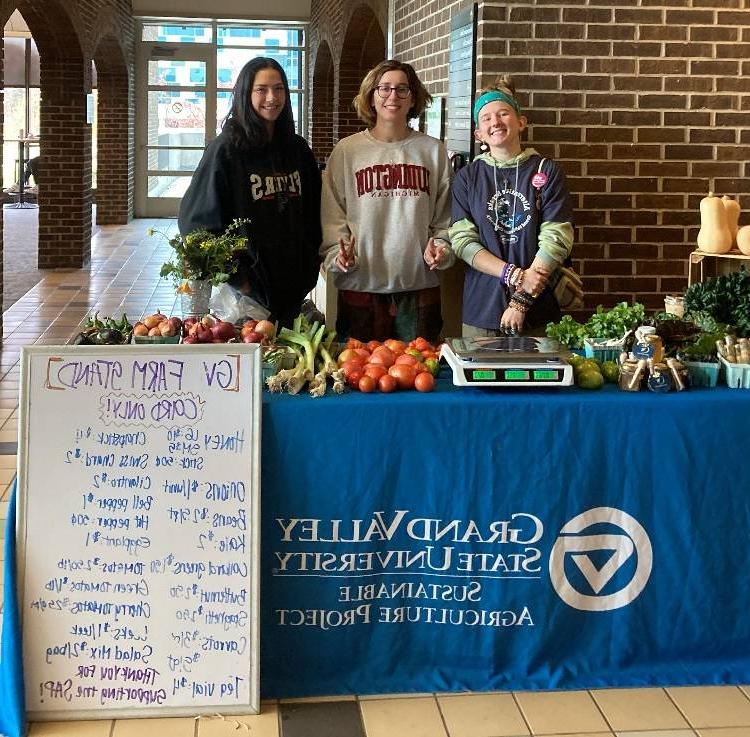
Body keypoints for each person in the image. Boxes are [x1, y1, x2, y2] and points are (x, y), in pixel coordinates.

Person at [179, 57, 322, 328]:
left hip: (293, 288)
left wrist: (310, 265)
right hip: (248, 295)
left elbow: (315, 212)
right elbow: (196, 225)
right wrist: (238, 278)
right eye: (262, 89)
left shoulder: (298, 150)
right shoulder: (226, 150)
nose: (272, 97)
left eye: (279, 89)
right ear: (246, 94)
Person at [320, 59, 453, 344]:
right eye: (384, 88)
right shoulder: (347, 152)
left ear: (413, 97)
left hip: (418, 286)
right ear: (371, 95)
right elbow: (333, 217)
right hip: (361, 285)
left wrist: (442, 248)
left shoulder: (433, 151)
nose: (393, 96)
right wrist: (337, 254)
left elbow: (445, 220)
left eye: (402, 89)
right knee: (358, 378)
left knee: (422, 376)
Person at [449, 75, 574, 337]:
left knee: (538, 376)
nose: (495, 122)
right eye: (486, 118)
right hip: (482, 309)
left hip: (538, 311)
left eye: (503, 113)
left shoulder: (546, 171)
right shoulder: (467, 178)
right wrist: (514, 275)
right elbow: (462, 241)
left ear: (520, 122)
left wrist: (521, 300)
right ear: (478, 133)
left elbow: (556, 239)